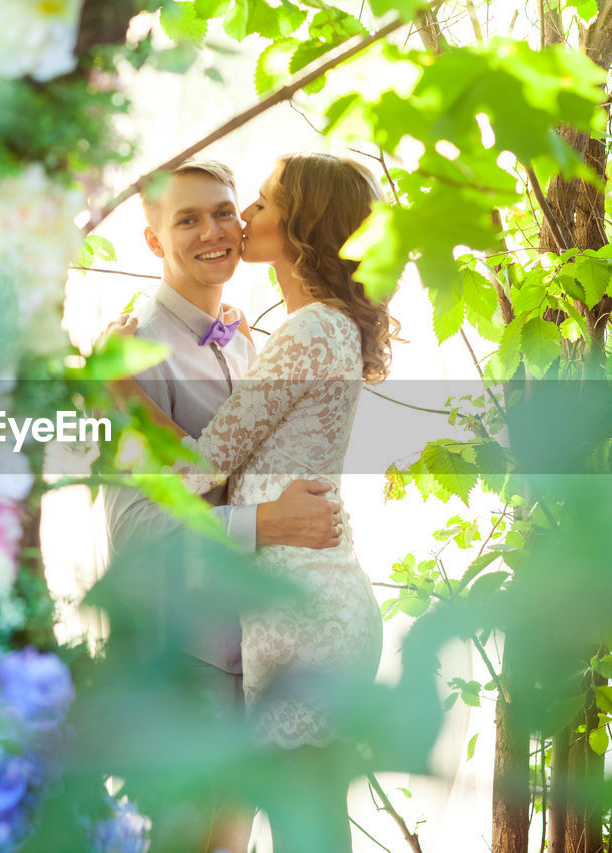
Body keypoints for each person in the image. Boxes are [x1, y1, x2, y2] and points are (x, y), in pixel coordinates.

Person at [110, 152, 397, 850]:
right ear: (155, 239)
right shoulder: (242, 333)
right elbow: (140, 532)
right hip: (226, 642)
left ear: (299, 227)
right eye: (191, 219)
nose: (235, 225)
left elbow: (204, 467)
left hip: (297, 622)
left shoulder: (294, 332)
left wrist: (125, 396)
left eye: (248, 206)